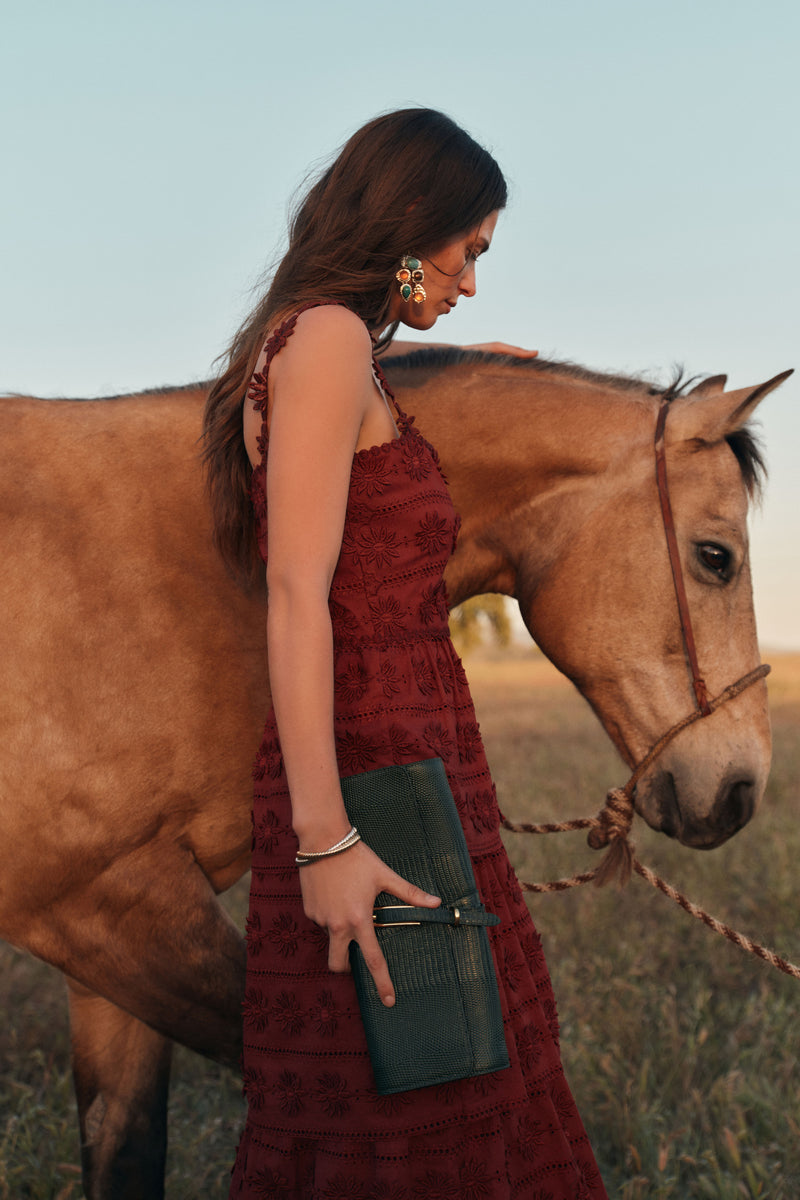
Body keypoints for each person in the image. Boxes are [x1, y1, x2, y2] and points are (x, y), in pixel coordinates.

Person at [203, 107, 607, 1200]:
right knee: (421, 1094)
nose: (472, 280)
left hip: (407, 760)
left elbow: (348, 401)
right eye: (469, 250)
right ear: (411, 222)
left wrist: (455, 351)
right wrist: (325, 840)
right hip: (373, 776)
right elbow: (296, 595)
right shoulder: (327, 339)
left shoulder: (318, 342)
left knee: (448, 1064)